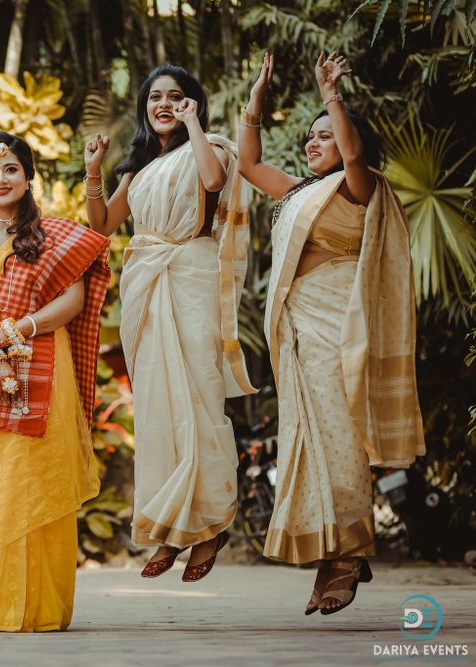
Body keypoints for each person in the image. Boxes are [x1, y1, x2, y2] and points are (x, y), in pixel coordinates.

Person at [239, 52, 424, 615]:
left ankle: (347, 552)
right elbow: (248, 165)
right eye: (310, 137)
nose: (314, 142)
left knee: (341, 443)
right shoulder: (300, 192)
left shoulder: (357, 187)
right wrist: (256, 99)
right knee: (308, 445)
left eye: (324, 135)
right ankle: (331, 556)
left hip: (339, 331)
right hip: (296, 335)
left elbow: (352, 153)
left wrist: (331, 95)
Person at [83, 64, 254, 582]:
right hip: (145, 284)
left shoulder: (212, 147)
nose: (163, 104)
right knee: (158, 407)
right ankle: (171, 526)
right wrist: (94, 170)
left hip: (192, 277)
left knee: (200, 400)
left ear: (192, 103)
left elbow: (212, 181)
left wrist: (195, 125)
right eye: (155, 97)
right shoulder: (137, 166)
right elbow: (103, 225)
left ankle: (210, 524)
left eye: (176, 97)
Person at [0, 131, 108, 631]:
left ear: (29, 176)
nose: (1, 178)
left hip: (41, 360)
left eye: (11, 169)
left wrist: (18, 332)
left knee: (30, 479)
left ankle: (36, 607)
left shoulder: (54, 236)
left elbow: (71, 302)